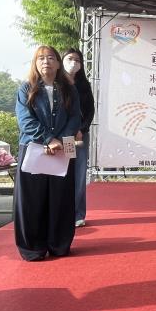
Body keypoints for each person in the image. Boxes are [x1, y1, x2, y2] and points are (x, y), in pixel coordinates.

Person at [14, 46, 81, 261]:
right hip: (34, 148)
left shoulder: (69, 90)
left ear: (58, 63)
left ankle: (59, 244)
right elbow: (25, 120)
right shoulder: (26, 88)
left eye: (51, 58)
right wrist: (48, 139)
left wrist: (60, 140)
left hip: (64, 147)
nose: (46, 62)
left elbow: (75, 118)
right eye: (41, 58)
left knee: (62, 197)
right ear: (35, 63)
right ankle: (33, 248)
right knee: (31, 200)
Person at [62, 48, 95, 228]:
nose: (73, 62)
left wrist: (82, 129)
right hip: (64, 137)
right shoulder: (57, 83)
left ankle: (78, 214)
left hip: (80, 136)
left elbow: (90, 110)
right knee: (65, 172)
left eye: (77, 60)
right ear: (62, 61)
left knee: (79, 173)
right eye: (69, 58)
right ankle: (62, 213)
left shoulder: (84, 85)